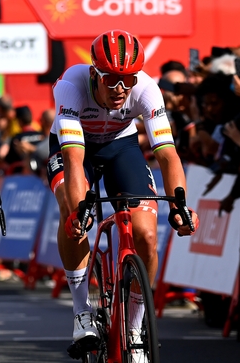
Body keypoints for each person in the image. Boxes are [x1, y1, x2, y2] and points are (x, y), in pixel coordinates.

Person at [47, 29, 199, 354]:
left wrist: (180, 205)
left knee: (145, 234)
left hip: (120, 145)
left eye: (128, 80)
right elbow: (74, 160)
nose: (120, 89)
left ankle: (134, 328)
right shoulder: (71, 86)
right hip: (76, 148)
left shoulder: (146, 89)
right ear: (94, 74)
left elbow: (167, 153)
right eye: (111, 79)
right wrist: (78, 209)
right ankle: (80, 312)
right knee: (72, 216)